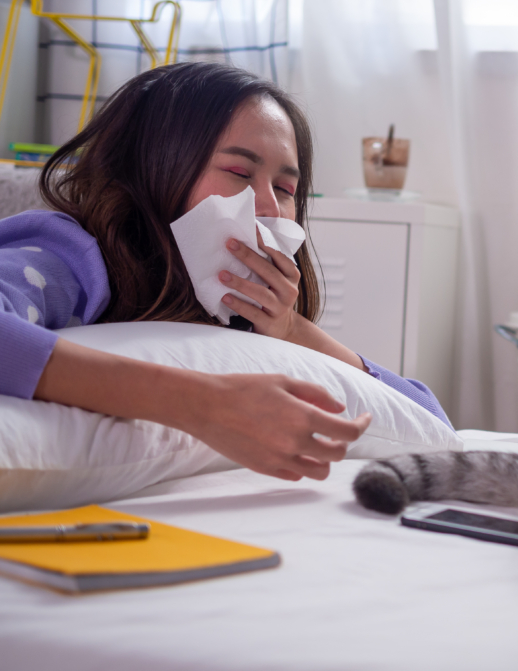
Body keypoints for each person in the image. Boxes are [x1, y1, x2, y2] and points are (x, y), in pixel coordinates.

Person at [0, 61, 449, 482]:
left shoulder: (240, 318)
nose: (268, 206)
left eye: (285, 188)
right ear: (153, 170)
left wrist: (292, 330)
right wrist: (201, 405)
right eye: (239, 172)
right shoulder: (70, 257)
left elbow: (428, 420)